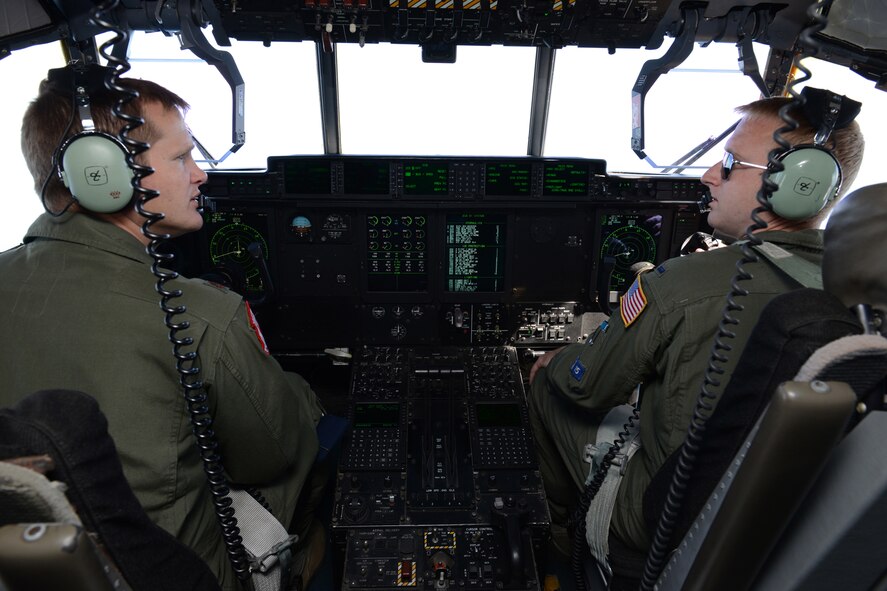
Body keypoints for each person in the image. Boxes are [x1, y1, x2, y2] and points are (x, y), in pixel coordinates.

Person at [0, 63, 324, 590]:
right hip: (181, 574)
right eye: (182, 157)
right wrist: (305, 395)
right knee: (310, 447)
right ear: (101, 173)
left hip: (35, 569)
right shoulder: (196, 315)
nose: (201, 175)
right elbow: (275, 452)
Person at [526, 89, 865, 576]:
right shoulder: (868, 300)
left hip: (656, 520)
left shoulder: (687, 284)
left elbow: (588, 384)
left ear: (799, 182)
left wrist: (557, 359)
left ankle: (561, 544)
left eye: (729, 162)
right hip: (776, 521)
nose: (707, 176)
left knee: (547, 383)